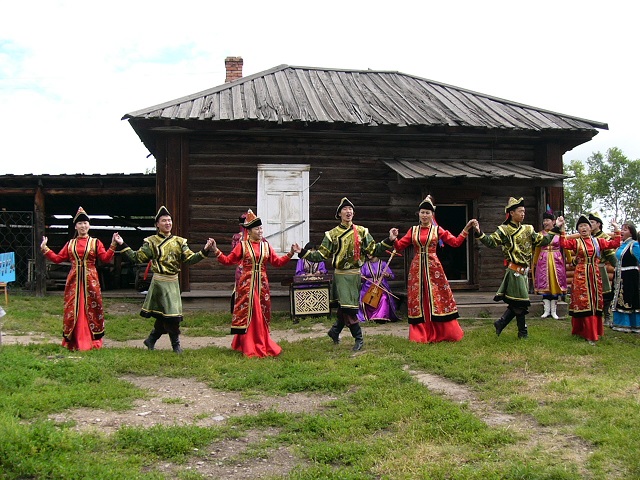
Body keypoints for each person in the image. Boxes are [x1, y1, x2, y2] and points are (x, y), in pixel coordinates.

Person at [298, 197, 394, 351]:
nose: (348, 211)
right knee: (349, 308)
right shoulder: (332, 234)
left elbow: (373, 250)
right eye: (345, 209)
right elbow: (320, 256)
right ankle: (359, 339)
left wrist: (389, 239)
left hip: (355, 275)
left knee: (345, 306)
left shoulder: (362, 232)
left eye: (350, 209)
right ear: (339, 213)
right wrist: (302, 252)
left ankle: (334, 331)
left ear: (353, 213)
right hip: (341, 275)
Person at [116, 206, 215, 353]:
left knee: (167, 315)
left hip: (173, 283)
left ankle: (151, 340)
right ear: (157, 224)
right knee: (172, 316)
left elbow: (189, 259)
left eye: (169, 220)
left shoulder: (179, 242)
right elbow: (137, 257)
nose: (168, 223)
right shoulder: (151, 242)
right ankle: (176, 346)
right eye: (164, 221)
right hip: (159, 283)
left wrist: (205, 250)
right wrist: (122, 244)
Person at [212, 210, 300, 358]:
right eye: (257, 229)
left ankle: (261, 342)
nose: (260, 231)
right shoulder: (243, 245)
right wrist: (215, 250)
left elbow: (277, 262)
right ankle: (250, 345)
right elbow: (228, 260)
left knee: (262, 313)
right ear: (250, 231)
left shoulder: (266, 246)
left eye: (261, 228)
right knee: (251, 313)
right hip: (246, 285)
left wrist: (290, 253)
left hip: (262, 285)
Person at [389, 195, 472, 342]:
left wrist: (466, 229)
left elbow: (455, 242)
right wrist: (393, 238)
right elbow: (400, 246)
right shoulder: (413, 230)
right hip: (417, 269)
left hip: (434, 268)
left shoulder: (437, 230)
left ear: (432, 215)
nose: (425, 215)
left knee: (438, 297)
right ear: (418, 214)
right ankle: (420, 334)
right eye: (422, 212)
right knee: (419, 299)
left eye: (428, 213)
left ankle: (444, 332)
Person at [474, 197, 557, 339]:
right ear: (512, 213)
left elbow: (542, 241)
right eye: (520, 211)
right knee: (521, 303)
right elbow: (491, 242)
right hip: (514, 272)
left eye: (524, 211)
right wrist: (479, 232)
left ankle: (502, 323)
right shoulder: (504, 230)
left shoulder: (528, 229)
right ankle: (521, 332)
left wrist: (556, 229)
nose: (523, 214)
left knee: (518, 303)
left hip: (524, 273)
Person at [40, 206, 119, 351]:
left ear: (89, 225)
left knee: (92, 307)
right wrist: (45, 248)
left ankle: (92, 340)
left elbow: (106, 258)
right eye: (80, 223)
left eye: (85, 223)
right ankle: (73, 339)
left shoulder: (95, 242)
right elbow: (58, 259)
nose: (83, 226)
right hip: (74, 281)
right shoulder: (70, 244)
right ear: (76, 226)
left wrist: (113, 244)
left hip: (91, 279)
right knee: (73, 307)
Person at [557, 215, 620, 343]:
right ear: (578, 230)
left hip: (595, 274)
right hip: (581, 275)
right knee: (583, 301)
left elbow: (614, 243)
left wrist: (616, 229)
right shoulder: (577, 242)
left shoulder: (598, 241)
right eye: (580, 226)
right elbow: (563, 243)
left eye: (585, 225)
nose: (583, 228)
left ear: (590, 228)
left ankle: (594, 331)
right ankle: (584, 331)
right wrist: (562, 228)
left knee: (595, 301)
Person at [532, 211, 567, 319]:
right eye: (544, 221)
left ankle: (554, 311)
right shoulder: (540, 234)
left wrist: (569, 259)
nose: (545, 223)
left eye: (547, 220)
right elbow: (537, 248)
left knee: (555, 284)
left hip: (556, 260)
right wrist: (535, 262)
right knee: (545, 283)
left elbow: (565, 246)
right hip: (544, 260)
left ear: (553, 222)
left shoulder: (559, 233)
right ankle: (546, 311)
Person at [588, 212, 618, 326]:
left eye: (592, 222)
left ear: (598, 224)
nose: (590, 225)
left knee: (605, 294)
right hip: (588, 268)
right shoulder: (587, 237)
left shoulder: (604, 237)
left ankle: (607, 316)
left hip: (600, 268)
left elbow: (610, 255)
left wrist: (618, 267)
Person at [611, 222, 640, 333]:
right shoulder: (622, 245)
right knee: (619, 297)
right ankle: (619, 323)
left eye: (625, 230)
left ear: (631, 232)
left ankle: (631, 324)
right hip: (620, 276)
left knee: (628, 298)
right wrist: (616, 228)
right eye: (622, 229)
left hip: (630, 277)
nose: (622, 231)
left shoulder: (634, 245)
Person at [357, 253, 399, 323]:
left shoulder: (383, 264)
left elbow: (392, 276)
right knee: (363, 298)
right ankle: (367, 317)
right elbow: (361, 277)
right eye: (368, 253)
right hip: (367, 288)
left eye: (370, 253)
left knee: (384, 298)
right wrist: (361, 277)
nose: (368, 254)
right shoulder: (365, 265)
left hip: (381, 287)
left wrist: (387, 275)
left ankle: (380, 317)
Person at [230, 212, 249, 313]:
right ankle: (240, 311)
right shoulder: (237, 237)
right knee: (241, 289)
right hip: (242, 268)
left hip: (255, 269)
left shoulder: (258, 237)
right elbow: (234, 254)